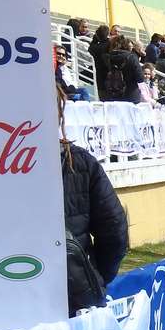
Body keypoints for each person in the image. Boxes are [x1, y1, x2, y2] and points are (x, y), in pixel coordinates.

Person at [57, 88, 128, 314]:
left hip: (73, 295)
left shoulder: (80, 161)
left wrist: (92, 276)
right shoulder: (80, 160)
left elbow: (114, 230)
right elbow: (115, 231)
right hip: (74, 295)